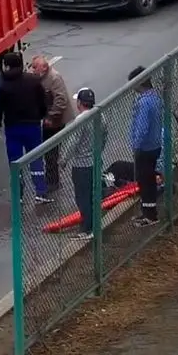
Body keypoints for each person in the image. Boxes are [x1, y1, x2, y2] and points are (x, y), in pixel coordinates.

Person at [0, 52, 52, 203]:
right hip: (32, 126)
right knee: (36, 159)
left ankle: (18, 195)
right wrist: (42, 115)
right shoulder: (33, 80)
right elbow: (43, 101)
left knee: (15, 162)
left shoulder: (3, 85)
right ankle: (40, 192)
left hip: (13, 127)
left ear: (6, 66)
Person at [59, 88, 107, 241]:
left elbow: (73, 142)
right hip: (95, 161)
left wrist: (64, 160)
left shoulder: (81, 119)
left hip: (81, 165)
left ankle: (87, 229)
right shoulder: (101, 115)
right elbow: (104, 136)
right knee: (93, 196)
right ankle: (93, 225)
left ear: (80, 102)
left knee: (82, 197)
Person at [29, 55, 75, 192]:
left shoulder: (54, 78)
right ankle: (52, 179)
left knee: (51, 152)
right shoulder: (41, 77)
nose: (32, 70)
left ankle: (53, 181)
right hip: (48, 118)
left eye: (34, 67)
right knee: (49, 151)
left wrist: (50, 117)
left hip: (56, 121)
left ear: (44, 67)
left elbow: (61, 100)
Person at [128, 65, 163, 227]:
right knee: (149, 179)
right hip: (155, 145)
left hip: (145, 149)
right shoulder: (156, 98)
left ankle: (150, 215)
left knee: (145, 182)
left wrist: (136, 145)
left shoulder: (143, 103)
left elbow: (141, 128)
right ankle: (148, 212)